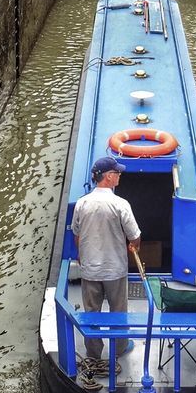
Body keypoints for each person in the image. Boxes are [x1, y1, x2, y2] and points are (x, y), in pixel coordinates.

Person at [71, 155, 141, 372]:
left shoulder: (82, 204)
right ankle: (119, 347)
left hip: (90, 269)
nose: (120, 176)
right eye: (117, 173)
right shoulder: (120, 204)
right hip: (115, 269)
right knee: (118, 310)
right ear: (109, 177)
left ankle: (93, 354)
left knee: (91, 312)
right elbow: (134, 235)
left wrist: (83, 257)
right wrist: (135, 247)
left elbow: (77, 235)